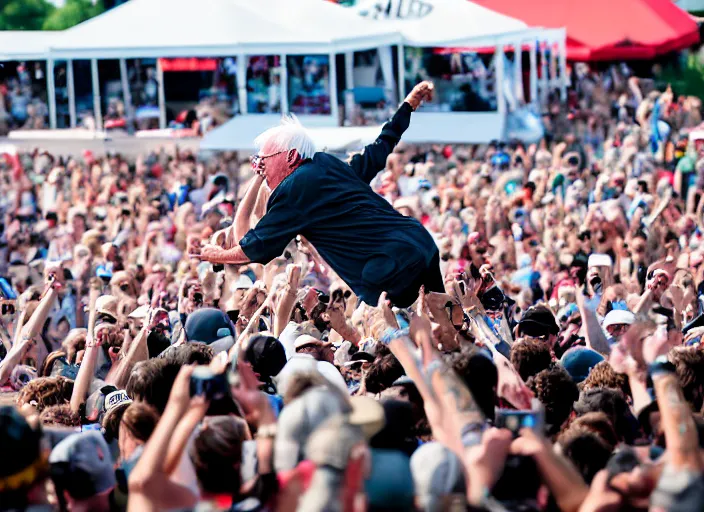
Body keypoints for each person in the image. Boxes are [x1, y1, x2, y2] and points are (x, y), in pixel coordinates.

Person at [195, 81, 442, 307]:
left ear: (291, 157)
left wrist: (218, 255)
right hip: (420, 242)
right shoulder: (328, 166)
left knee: (397, 335)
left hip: (390, 270)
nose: (261, 167)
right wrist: (407, 106)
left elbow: (257, 247)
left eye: (264, 161)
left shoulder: (294, 188)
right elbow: (377, 151)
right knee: (449, 319)